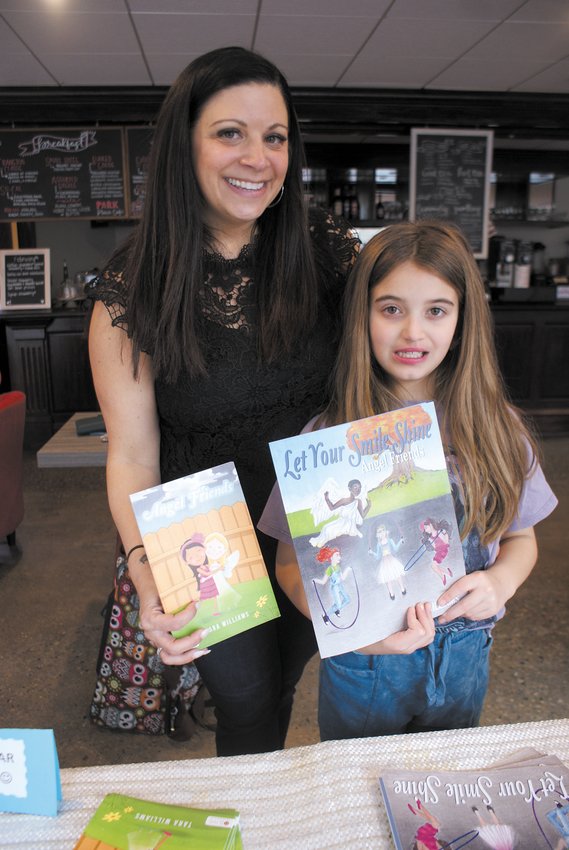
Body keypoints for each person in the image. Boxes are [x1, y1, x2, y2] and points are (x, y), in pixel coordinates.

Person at [87, 45, 360, 756]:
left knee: (284, 683)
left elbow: (389, 369)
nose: (258, 157)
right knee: (242, 701)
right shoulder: (131, 290)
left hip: (316, 519)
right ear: (185, 143)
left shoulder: (328, 251)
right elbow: (131, 454)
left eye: (274, 137)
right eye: (229, 132)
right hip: (202, 537)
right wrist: (144, 571)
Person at [259, 220, 557, 740]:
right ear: (362, 316)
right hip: (365, 666)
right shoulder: (328, 437)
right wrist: (355, 635)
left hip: (465, 659)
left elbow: (521, 538)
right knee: (357, 790)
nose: (413, 332)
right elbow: (289, 567)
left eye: (436, 310)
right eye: (391, 308)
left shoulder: (498, 428)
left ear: (463, 321)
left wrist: (500, 581)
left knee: (439, 792)